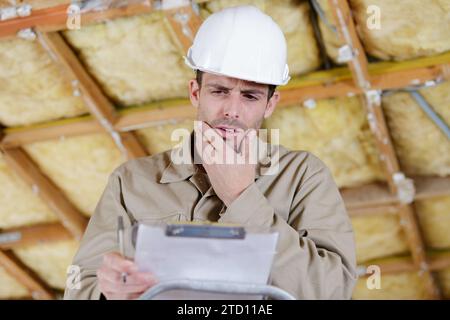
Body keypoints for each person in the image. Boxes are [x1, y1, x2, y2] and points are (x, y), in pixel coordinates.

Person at [64, 5, 357, 300]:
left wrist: (242, 197)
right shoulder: (132, 182)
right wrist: (108, 292)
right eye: (219, 91)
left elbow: (332, 291)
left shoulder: (303, 176)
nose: (231, 110)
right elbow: (77, 289)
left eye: (250, 96)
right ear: (195, 92)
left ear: (270, 104)